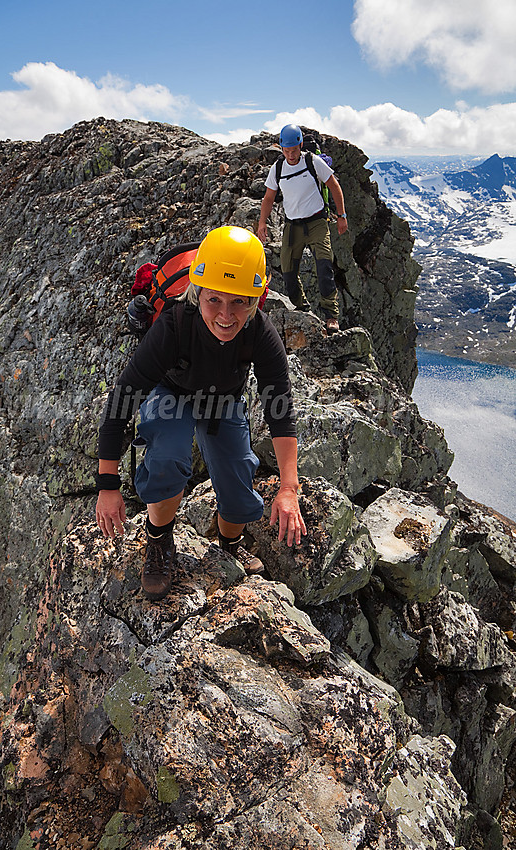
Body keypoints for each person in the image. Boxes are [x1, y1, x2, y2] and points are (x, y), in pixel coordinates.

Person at [95, 225, 307, 601]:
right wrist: (108, 486)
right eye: (214, 300)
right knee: (167, 454)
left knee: (239, 480)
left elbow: (280, 408)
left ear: (256, 299)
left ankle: (229, 546)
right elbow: (121, 402)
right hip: (171, 392)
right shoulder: (174, 325)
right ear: (198, 293)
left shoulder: (259, 331)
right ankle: (159, 541)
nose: (226, 315)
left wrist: (289, 488)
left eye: (239, 301)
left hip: (222, 399)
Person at [258, 124, 348, 332]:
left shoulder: (312, 161)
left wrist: (342, 215)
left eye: (294, 150)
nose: (291, 155)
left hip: (317, 221)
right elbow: (268, 198)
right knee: (288, 272)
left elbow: (334, 186)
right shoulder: (278, 169)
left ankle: (331, 316)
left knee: (324, 265)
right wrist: (262, 222)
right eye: (286, 151)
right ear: (281, 148)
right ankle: (302, 307)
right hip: (293, 225)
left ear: (300, 145)